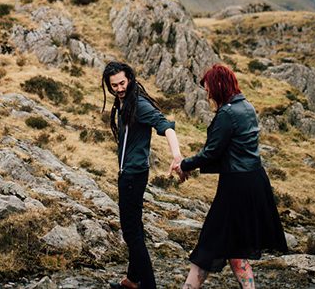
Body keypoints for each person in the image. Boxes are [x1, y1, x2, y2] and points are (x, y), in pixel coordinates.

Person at [175, 63, 287, 289]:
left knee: (209, 241)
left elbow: (212, 151)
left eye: (208, 89)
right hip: (255, 181)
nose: (207, 94)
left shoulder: (227, 113)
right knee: (235, 245)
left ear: (217, 86)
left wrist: (184, 164)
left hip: (236, 186)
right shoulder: (246, 106)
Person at [101, 61, 183, 289]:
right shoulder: (123, 101)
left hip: (132, 176)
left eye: (122, 83)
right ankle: (133, 279)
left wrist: (176, 156)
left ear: (130, 79)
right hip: (131, 173)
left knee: (131, 232)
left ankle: (148, 285)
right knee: (134, 227)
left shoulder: (139, 104)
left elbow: (166, 126)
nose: (119, 88)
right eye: (114, 85)